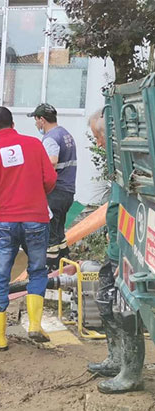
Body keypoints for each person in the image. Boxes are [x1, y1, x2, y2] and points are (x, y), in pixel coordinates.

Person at [0, 107, 57, 351]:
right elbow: (50, 180)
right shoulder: (34, 144)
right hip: (36, 219)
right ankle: (34, 325)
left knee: (0, 276)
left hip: (5, 222)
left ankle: (0, 337)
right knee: (37, 270)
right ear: (12, 123)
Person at [86, 110, 144, 393]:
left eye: (98, 138)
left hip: (126, 255)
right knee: (106, 303)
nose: (97, 144)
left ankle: (131, 373)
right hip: (114, 252)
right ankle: (116, 358)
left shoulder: (132, 168)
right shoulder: (120, 169)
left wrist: (125, 255)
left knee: (125, 310)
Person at [28, 103, 77, 270]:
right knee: (59, 230)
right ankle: (66, 261)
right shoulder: (65, 134)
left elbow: (52, 161)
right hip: (68, 191)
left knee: (50, 235)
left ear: (42, 120)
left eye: (36, 120)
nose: (36, 124)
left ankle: (51, 269)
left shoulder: (50, 138)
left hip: (55, 192)